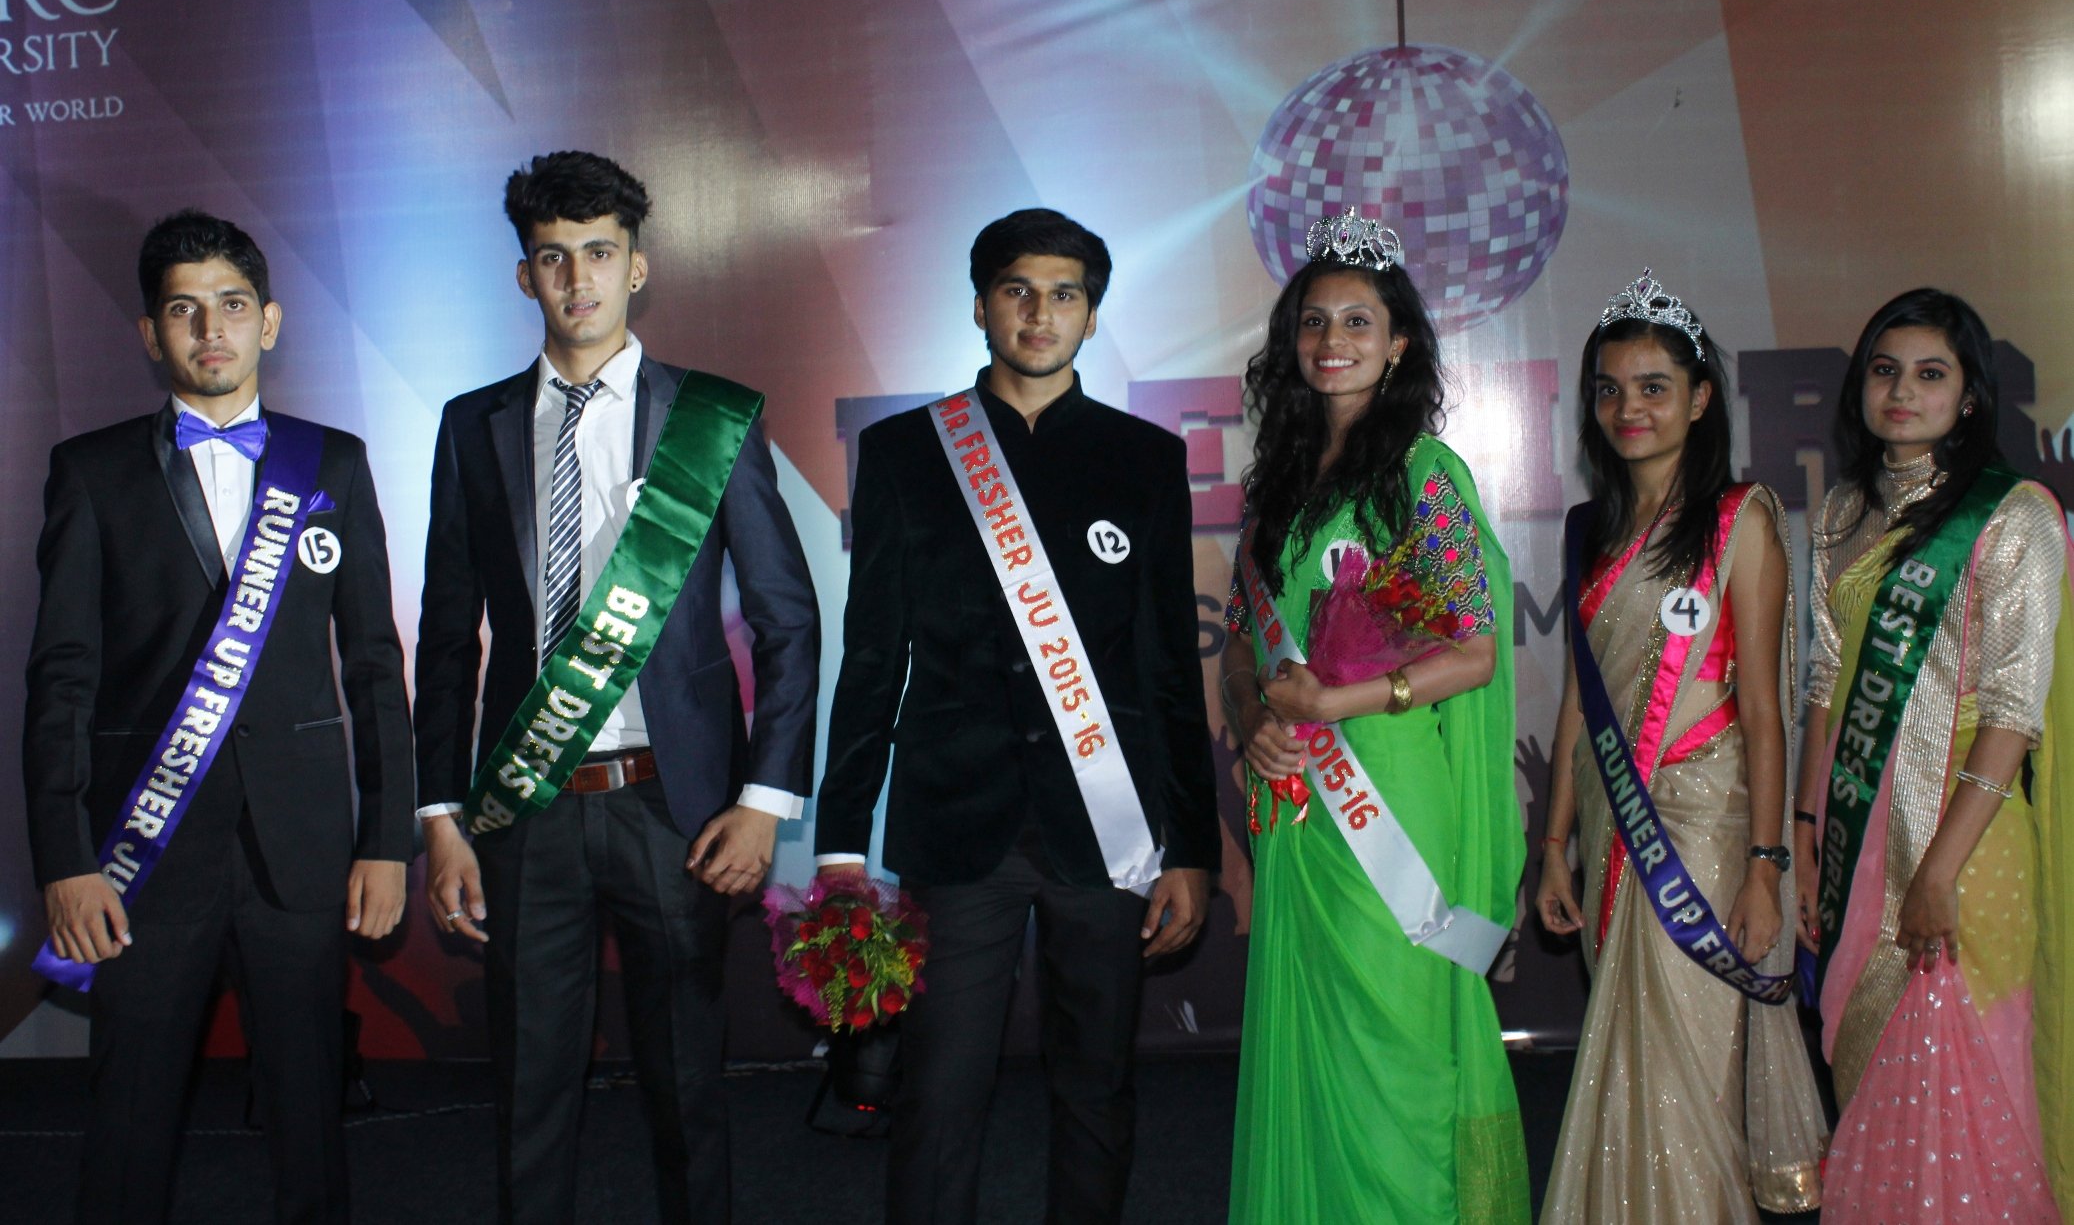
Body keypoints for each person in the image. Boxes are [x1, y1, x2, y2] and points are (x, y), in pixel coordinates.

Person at [412, 151, 819, 1224]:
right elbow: (447, 639)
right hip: (525, 806)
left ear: (638, 266)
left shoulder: (711, 418)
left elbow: (787, 617)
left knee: (688, 1088)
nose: (577, 278)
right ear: (524, 275)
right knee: (529, 1090)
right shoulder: (472, 424)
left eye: (599, 253)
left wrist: (764, 799)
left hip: (674, 807)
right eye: (553, 257)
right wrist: (441, 814)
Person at [813, 207, 1218, 1225]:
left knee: (1097, 1088)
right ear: (981, 305)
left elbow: (1170, 665)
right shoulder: (907, 451)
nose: (1041, 313)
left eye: (1064, 294)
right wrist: (839, 843)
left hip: (1108, 826)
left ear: (1092, 315)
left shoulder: (1143, 458)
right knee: (938, 1095)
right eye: (1018, 291)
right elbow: (873, 657)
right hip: (958, 823)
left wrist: (1190, 848)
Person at [22, 210, 414, 1224]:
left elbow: (375, 667)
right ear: (150, 333)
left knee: (309, 1117)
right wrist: (64, 859)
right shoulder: (91, 471)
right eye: (184, 310)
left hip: (300, 846)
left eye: (232, 306)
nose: (211, 330)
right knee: (129, 1121)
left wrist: (386, 841)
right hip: (142, 854)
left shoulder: (332, 463)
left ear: (268, 323)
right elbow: (61, 679)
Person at [1222, 207, 1529, 1224]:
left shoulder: (1423, 476)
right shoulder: (1276, 485)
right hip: (1293, 800)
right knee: (1311, 1045)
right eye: (1314, 322)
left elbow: (1474, 652)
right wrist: (1257, 719)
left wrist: (1336, 702)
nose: (1333, 341)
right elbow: (1242, 647)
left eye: (1358, 321)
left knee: (1396, 1041)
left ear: (1398, 343)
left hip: (1388, 794)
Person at [1532, 271, 1826, 1221]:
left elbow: (1765, 711)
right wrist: (1554, 842)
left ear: (1700, 400)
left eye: (1654, 387)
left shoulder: (1742, 519)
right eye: (1610, 389)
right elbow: (1580, 700)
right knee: (1624, 1056)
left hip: (1704, 827)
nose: (1630, 408)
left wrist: (1766, 866)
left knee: (1692, 1065)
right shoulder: (1590, 530)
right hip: (1610, 822)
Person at [1793, 289, 2071, 1220]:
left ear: (1970, 395)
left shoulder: (2015, 517)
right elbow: (1826, 684)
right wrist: (1804, 829)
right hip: (1854, 832)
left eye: (1929, 373)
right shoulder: (1842, 512)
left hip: (1970, 839)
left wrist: (1939, 871)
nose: (1902, 392)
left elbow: (2013, 711)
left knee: (1966, 1077)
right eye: (1885, 371)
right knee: (1869, 1073)